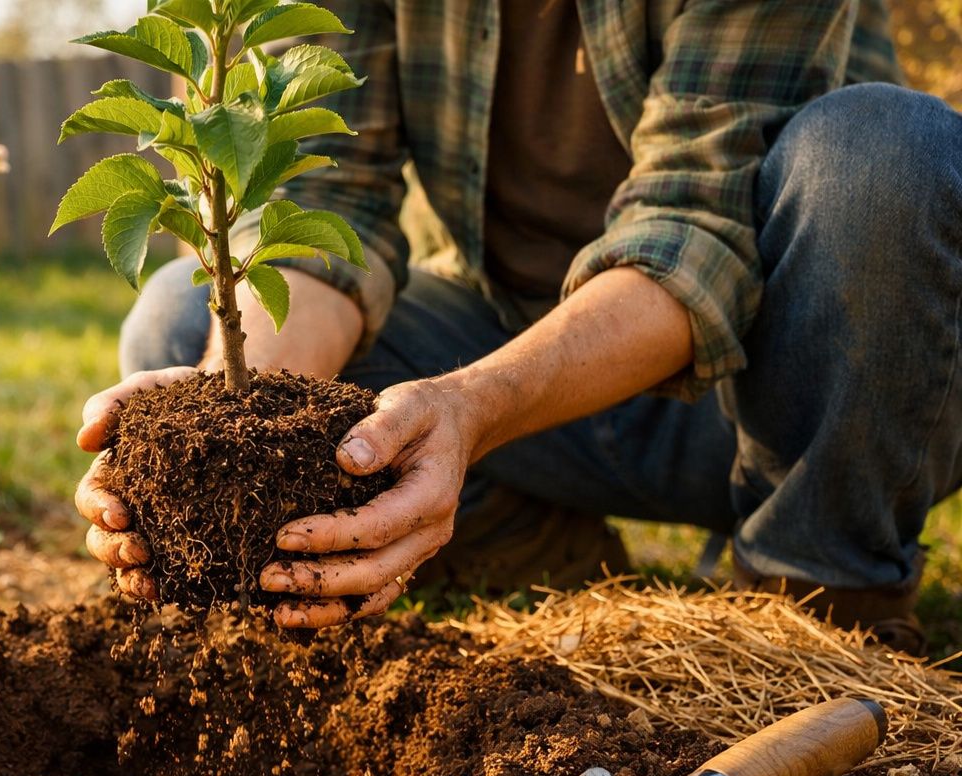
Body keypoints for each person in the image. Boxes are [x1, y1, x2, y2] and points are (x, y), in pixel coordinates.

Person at [73, 0, 962, 654]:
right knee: (184, 328)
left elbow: (692, 235)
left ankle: (820, 593)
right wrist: (238, 417)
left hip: (797, 388)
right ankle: (533, 546)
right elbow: (331, 204)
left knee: (884, 150)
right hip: (536, 371)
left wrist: (472, 406)